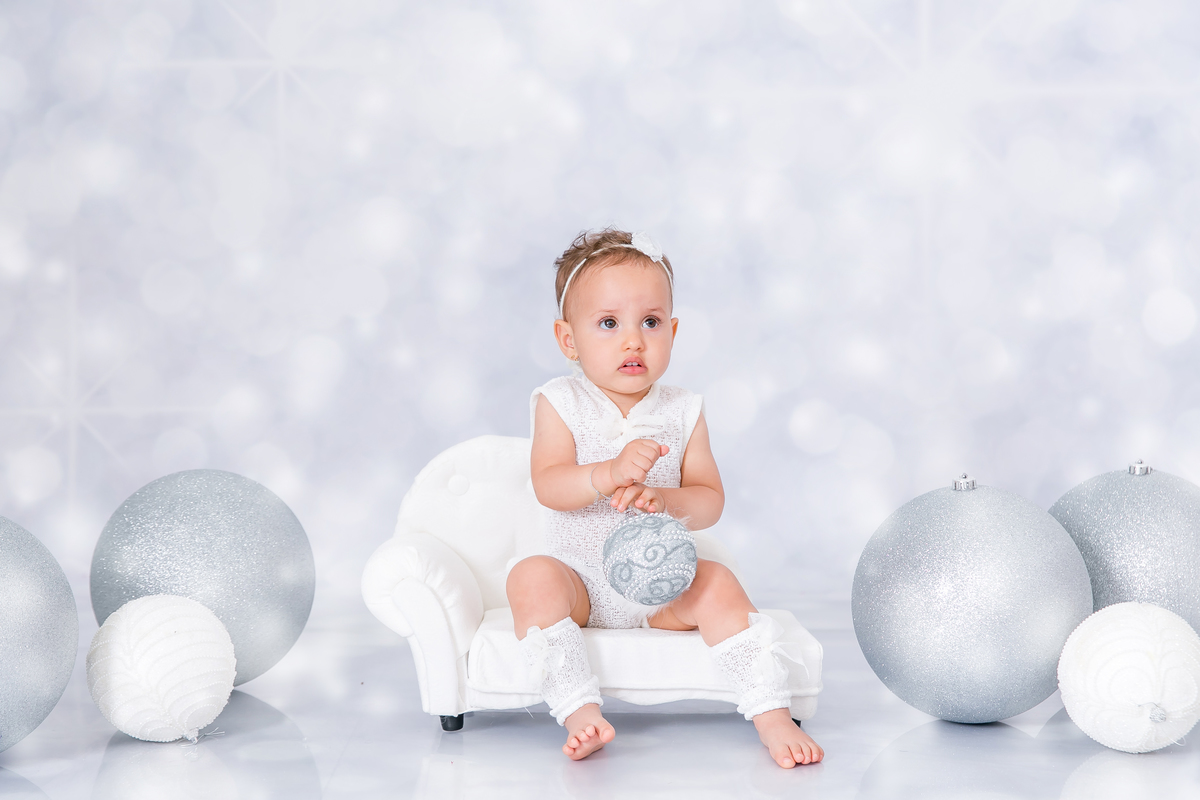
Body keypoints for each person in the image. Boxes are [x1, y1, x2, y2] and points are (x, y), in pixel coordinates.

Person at [506, 228, 824, 767]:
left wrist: (665, 499)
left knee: (717, 583)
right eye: (609, 323)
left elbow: (710, 499)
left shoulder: (683, 410)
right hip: (579, 584)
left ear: (673, 331)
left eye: (650, 322)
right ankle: (579, 709)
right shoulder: (559, 402)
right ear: (568, 340)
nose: (633, 341)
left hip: (662, 586)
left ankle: (771, 713)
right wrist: (607, 473)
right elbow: (549, 485)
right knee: (530, 578)